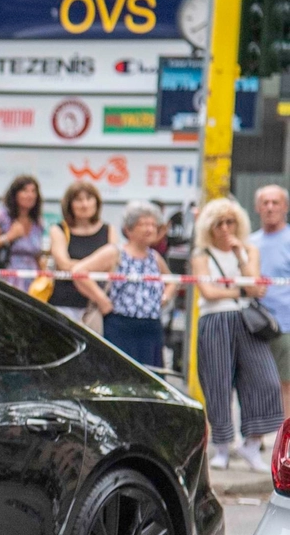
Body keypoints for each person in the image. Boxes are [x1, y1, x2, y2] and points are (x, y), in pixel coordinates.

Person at [191, 197, 282, 472]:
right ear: (209, 226)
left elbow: (254, 283)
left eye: (230, 222)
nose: (225, 228)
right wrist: (241, 290)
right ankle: (221, 447)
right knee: (217, 384)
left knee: (266, 380)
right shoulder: (202, 255)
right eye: (219, 223)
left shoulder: (248, 250)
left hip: (246, 320)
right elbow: (209, 293)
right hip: (215, 318)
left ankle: (252, 444)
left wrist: (240, 255)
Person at [71, 200, 175, 367]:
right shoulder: (115, 252)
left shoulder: (154, 257)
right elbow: (79, 272)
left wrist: (165, 297)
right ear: (129, 228)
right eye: (144, 224)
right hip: (121, 325)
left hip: (151, 327)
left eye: (153, 224)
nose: (150, 229)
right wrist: (101, 300)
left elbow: (171, 281)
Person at [49, 181, 113, 323]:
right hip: (65, 302)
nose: (84, 204)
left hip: (98, 303)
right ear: (69, 204)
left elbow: (113, 264)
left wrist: (81, 269)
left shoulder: (108, 230)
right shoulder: (59, 229)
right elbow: (63, 263)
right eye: (78, 200)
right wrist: (93, 267)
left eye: (89, 199)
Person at [251, 184, 290, 416]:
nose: (270, 207)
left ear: (285, 207)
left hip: (285, 325)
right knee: (256, 385)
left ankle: (286, 438)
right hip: (254, 324)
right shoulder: (250, 242)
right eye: (265, 203)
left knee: (286, 384)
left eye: (275, 202)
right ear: (257, 208)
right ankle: (256, 439)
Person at [0, 175, 45, 291]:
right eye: (25, 191)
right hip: (7, 279)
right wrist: (8, 237)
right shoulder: (2, 218)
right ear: (15, 194)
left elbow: (37, 255)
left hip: (33, 283)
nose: (30, 195)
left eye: (33, 191)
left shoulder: (37, 222)